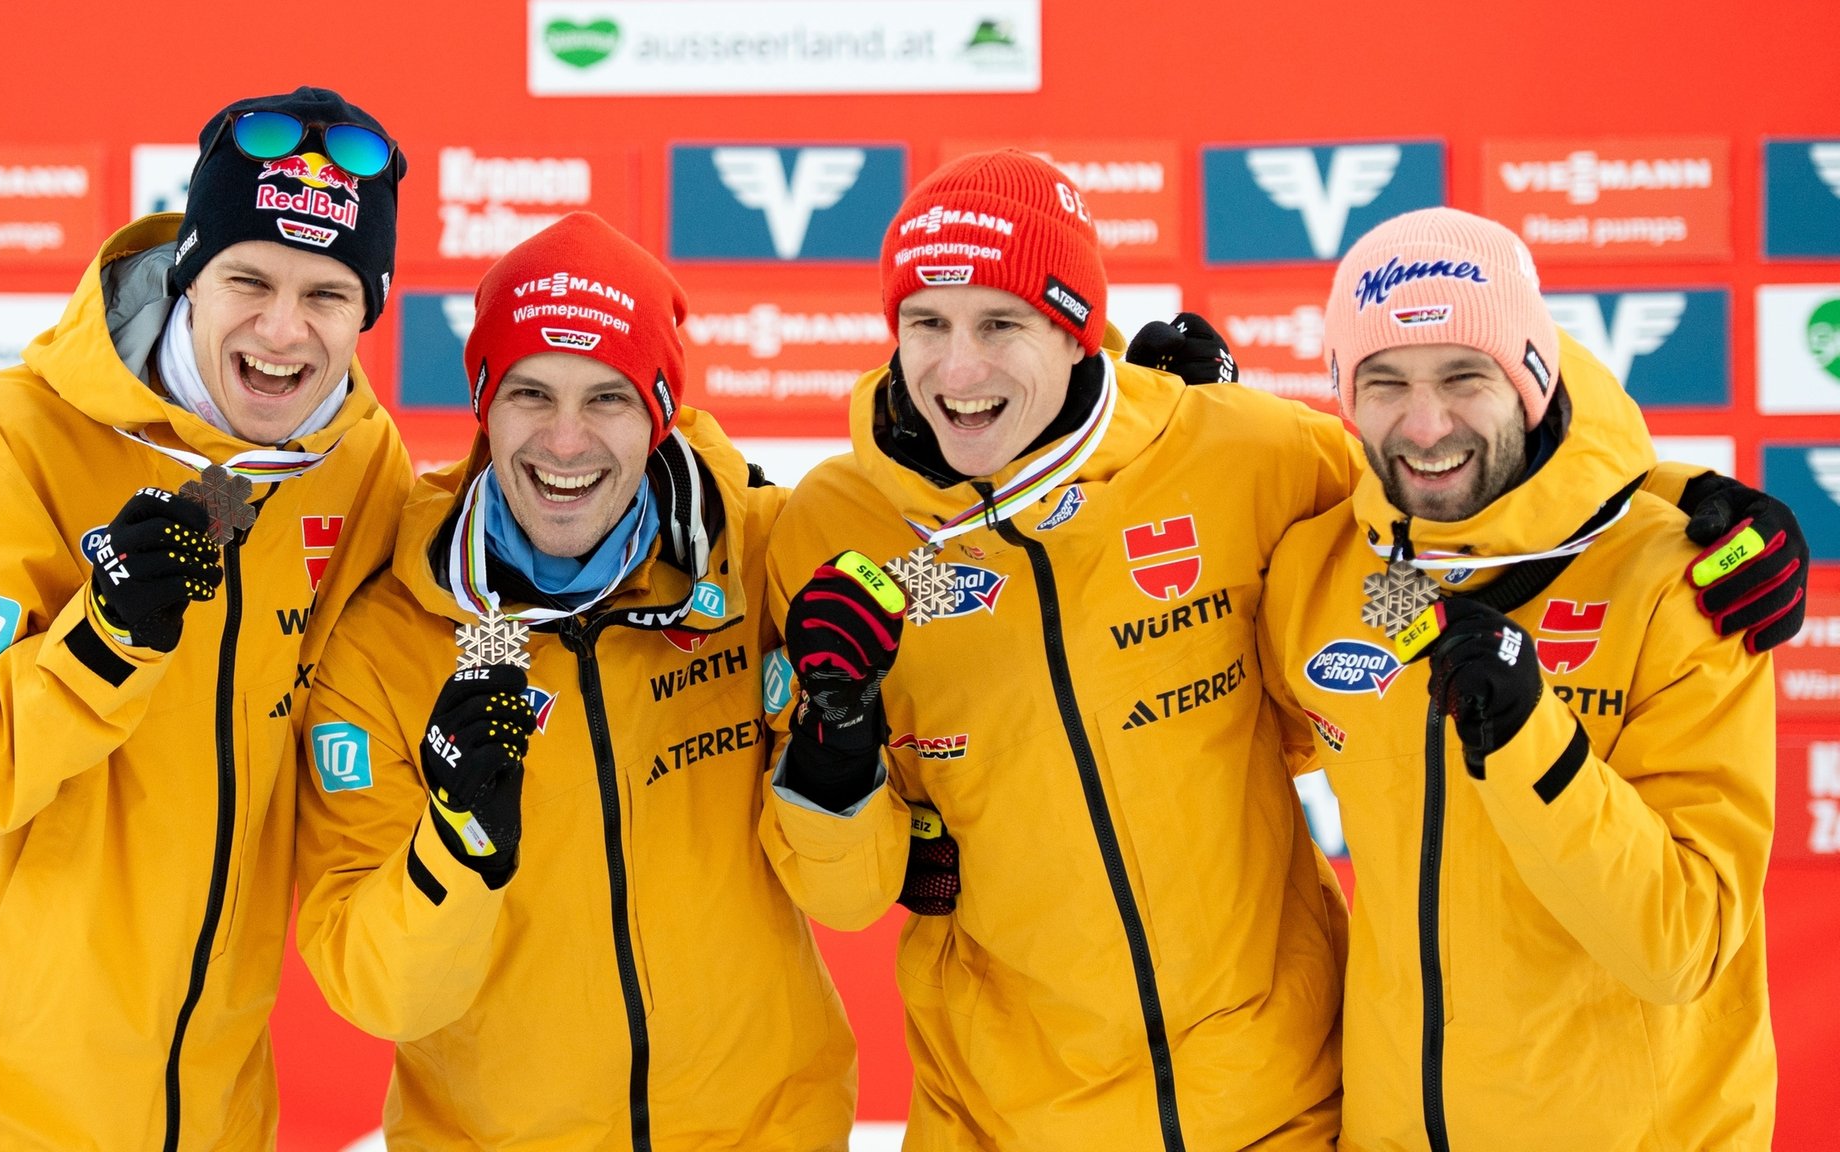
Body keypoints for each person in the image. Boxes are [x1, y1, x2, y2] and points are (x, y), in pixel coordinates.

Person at [755, 150, 1807, 1150]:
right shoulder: (822, 533)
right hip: (1003, 1116)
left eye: (1002, 321)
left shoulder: (1245, 457)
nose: (957, 364)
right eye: (924, 322)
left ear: (1079, 331)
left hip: (1278, 1106)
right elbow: (845, 895)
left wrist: (1682, 504)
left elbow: (1473, 488)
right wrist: (833, 738)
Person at [0, 87, 412, 1149]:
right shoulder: (3, 440)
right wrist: (101, 647)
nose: (283, 332)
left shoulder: (359, 465)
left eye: (327, 294)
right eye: (249, 280)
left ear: (366, 309)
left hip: (205, 1103)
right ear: (189, 272)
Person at [292, 211, 855, 1150]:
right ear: (482, 401)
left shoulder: (759, 558)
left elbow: (976, 549)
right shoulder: (389, 635)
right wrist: (458, 848)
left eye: (607, 398)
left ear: (659, 414)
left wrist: (1174, 448)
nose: (563, 442)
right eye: (529, 394)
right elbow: (377, 990)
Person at [1257, 207, 1777, 1149]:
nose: (1425, 424)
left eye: (1466, 375)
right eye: (1385, 383)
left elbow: (1683, 945)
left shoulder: (1676, 582)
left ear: (1533, 380)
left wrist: (1533, 738)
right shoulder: (1318, 573)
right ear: (1343, 396)